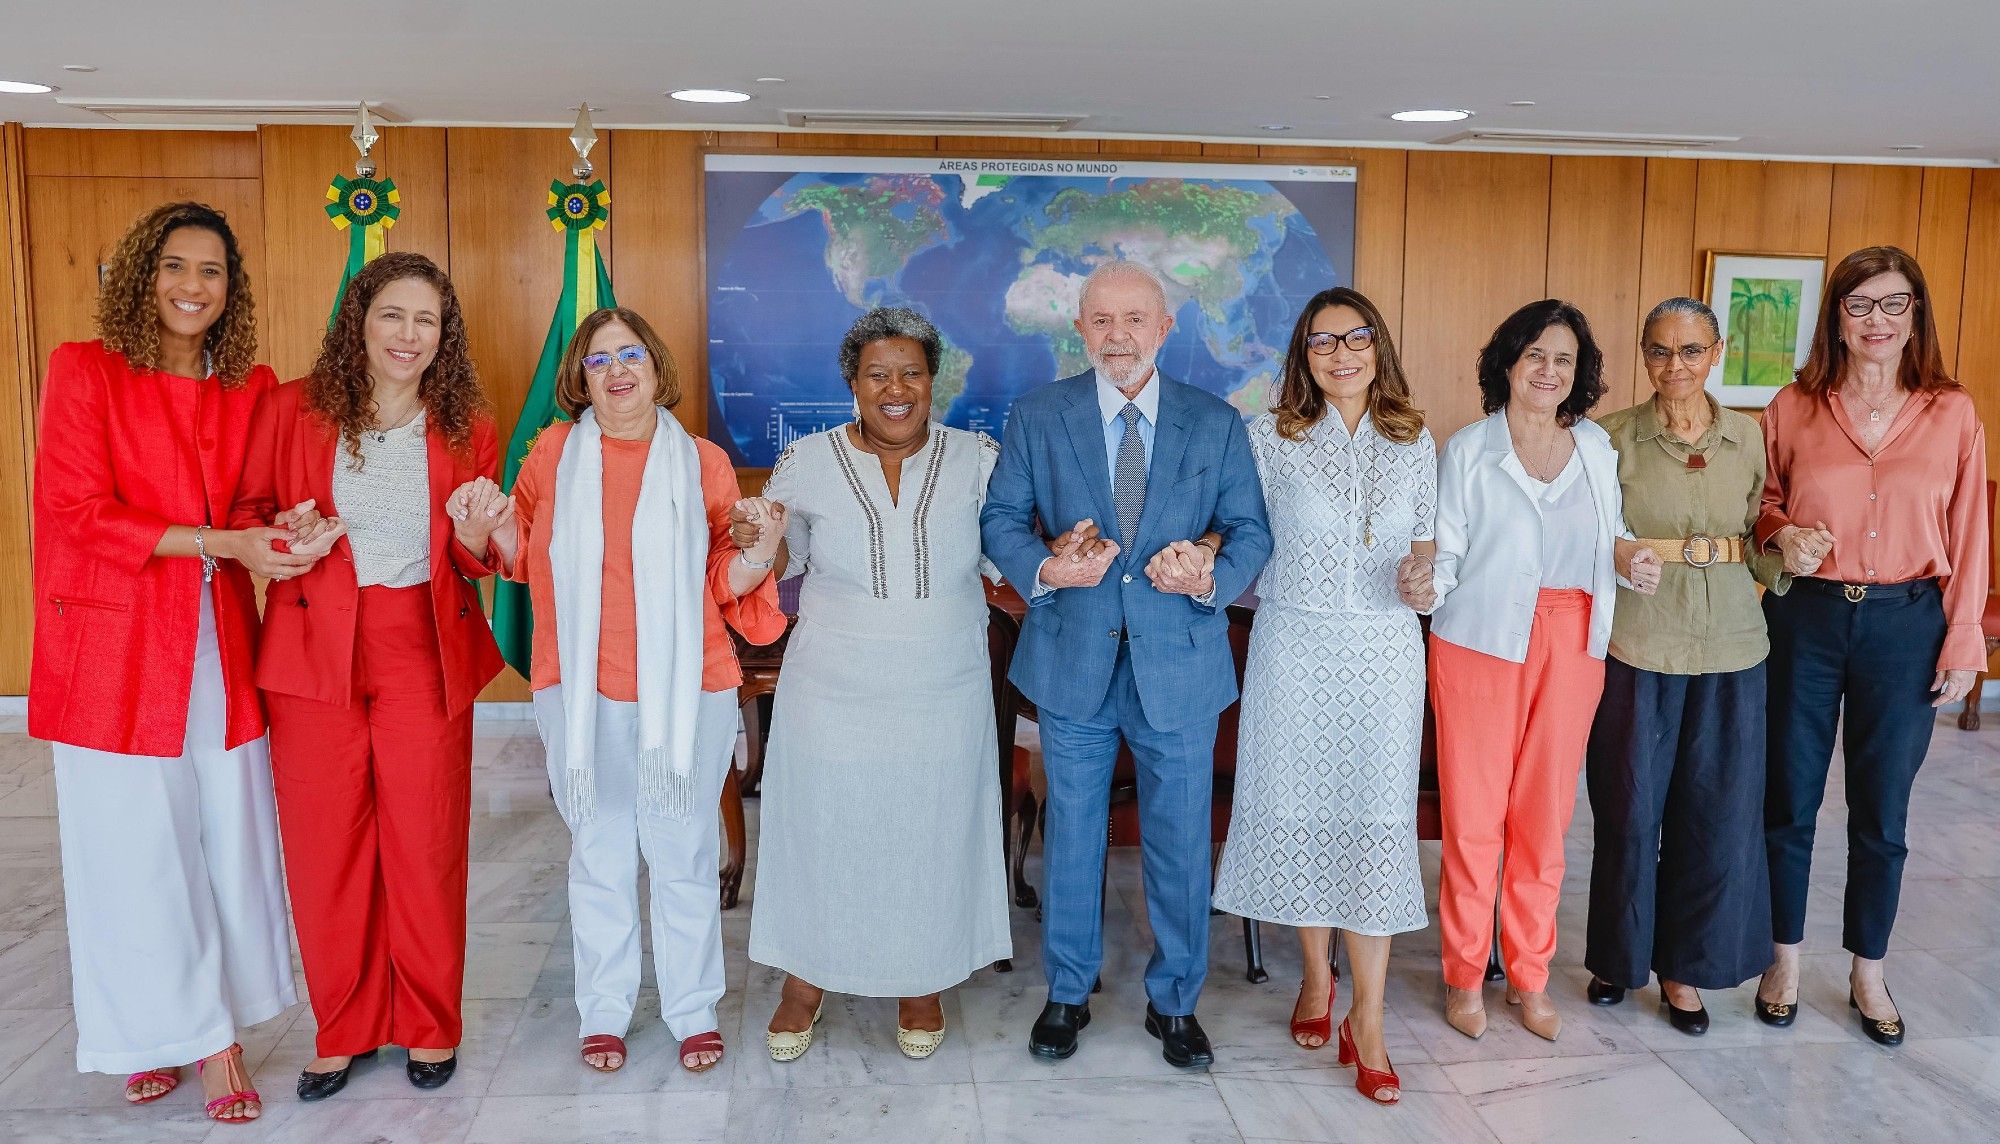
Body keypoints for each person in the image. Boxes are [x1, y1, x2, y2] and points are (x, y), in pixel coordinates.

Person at [29, 201, 311, 1124]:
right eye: (175, 266)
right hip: (111, 651)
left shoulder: (250, 388)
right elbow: (73, 513)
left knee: (226, 836)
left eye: (212, 272)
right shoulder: (86, 371)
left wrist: (285, 530)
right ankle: (169, 1038)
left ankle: (212, 1022)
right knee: (131, 851)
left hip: (219, 646)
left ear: (233, 291)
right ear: (143, 275)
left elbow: (259, 505)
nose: (193, 286)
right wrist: (219, 543)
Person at [475, 307, 786, 1074]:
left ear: (655, 367)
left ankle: (692, 1010)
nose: (618, 371)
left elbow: (725, 577)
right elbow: (519, 558)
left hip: (688, 690)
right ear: (581, 377)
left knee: (681, 854)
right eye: (599, 360)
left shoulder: (703, 462)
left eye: (632, 355)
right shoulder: (551, 453)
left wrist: (763, 551)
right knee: (600, 853)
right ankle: (605, 1012)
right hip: (580, 689)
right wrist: (486, 524)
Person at [981, 260, 1273, 1070]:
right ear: (1080, 328)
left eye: (1136, 319)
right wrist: (1044, 569)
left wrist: (1212, 575)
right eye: (1102, 320)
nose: (1119, 336)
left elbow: (1248, 528)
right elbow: (1001, 516)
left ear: (1164, 329)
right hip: (1072, 659)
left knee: (1179, 841)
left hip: (1178, 664)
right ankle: (1067, 993)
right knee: (1072, 834)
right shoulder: (1039, 415)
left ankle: (1175, 1001)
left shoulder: (1216, 422)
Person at [232, 251, 505, 1098]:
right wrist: (283, 536)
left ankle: (429, 1023)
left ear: (442, 337)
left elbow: (472, 559)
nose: (408, 334)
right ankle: (343, 1025)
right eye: (393, 314)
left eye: (426, 320)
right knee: (325, 846)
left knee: (424, 843)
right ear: (360, 318)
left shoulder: (466, 426)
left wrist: (478, 530)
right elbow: (245, 517)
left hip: (419, 644)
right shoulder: (290, 410)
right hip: (314, 646)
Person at [740, 307, 1013, 1062]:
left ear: (935, 381)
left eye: (912, 373)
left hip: (943, 679)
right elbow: (777, 562)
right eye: (877, 374)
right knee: (823, 828)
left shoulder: (979, 458)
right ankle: (805, 983)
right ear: (852, 384)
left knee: (929, 829)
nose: (896, 389)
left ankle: (920, 983)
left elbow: (1008, 556)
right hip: (833, 681)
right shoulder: (807, 461)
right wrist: (750, 542)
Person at [1753, 245, 1988, 1047]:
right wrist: (1785, 534)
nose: (1877, 320)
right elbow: (1762, 505)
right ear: (1837, 319)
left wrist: (1965, 641)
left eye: (1893, 304)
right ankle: (1782, 957)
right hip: (1808, 620)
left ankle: (1867, 970)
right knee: (1787, 800)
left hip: (1908, 623)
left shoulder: (1953, 413)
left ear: (1914, 314)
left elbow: (1969, 532)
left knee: (1881, 811)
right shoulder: (1792, 406)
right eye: (1860, 305)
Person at [1408, 299, 1660, 1043]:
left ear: (1577, 376)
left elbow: (1611, 535)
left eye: (1564, 360)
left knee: (1544, 823)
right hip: (1479, 641)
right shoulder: (1468, 449)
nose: (1549, 371)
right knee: (1475, 820)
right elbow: (1443, 554)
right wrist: (1423, 582)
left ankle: (1530, 974)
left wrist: (1630, 558)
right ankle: (1463, 975)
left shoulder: (1595, 448)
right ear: (1508, 365)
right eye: (1535, 356)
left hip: (1573, 640)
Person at [1211, 287, 1429, 1104]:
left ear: (1380, 344)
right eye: (1321, 342)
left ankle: (1366, 1020)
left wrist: (1424, 579)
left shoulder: (1414, 438)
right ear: (1302, 356)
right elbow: (1240, 537)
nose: (1341, 354)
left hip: (1382, 652)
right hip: (1294, 645)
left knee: (1373, 822)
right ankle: (1314, 976)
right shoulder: (1268, 437)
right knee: (1302, 811)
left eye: (1356, 336)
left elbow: (1432, 549)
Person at [1584, 297, 1785, 1035]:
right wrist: (1615, 552)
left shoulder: (1749, 437)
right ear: (1644, 355)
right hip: (1641, 642)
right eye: (1661, 351)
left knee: (1720, 816)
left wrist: (1784, 553)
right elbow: (1584, 535)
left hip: (1735, 642)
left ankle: (1684, 971)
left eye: (1691, 350)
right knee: (1630, 809)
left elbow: (1757, 529)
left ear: (1717, 351)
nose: (1676, 366)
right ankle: (1616, 955)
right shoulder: (1610, 440)